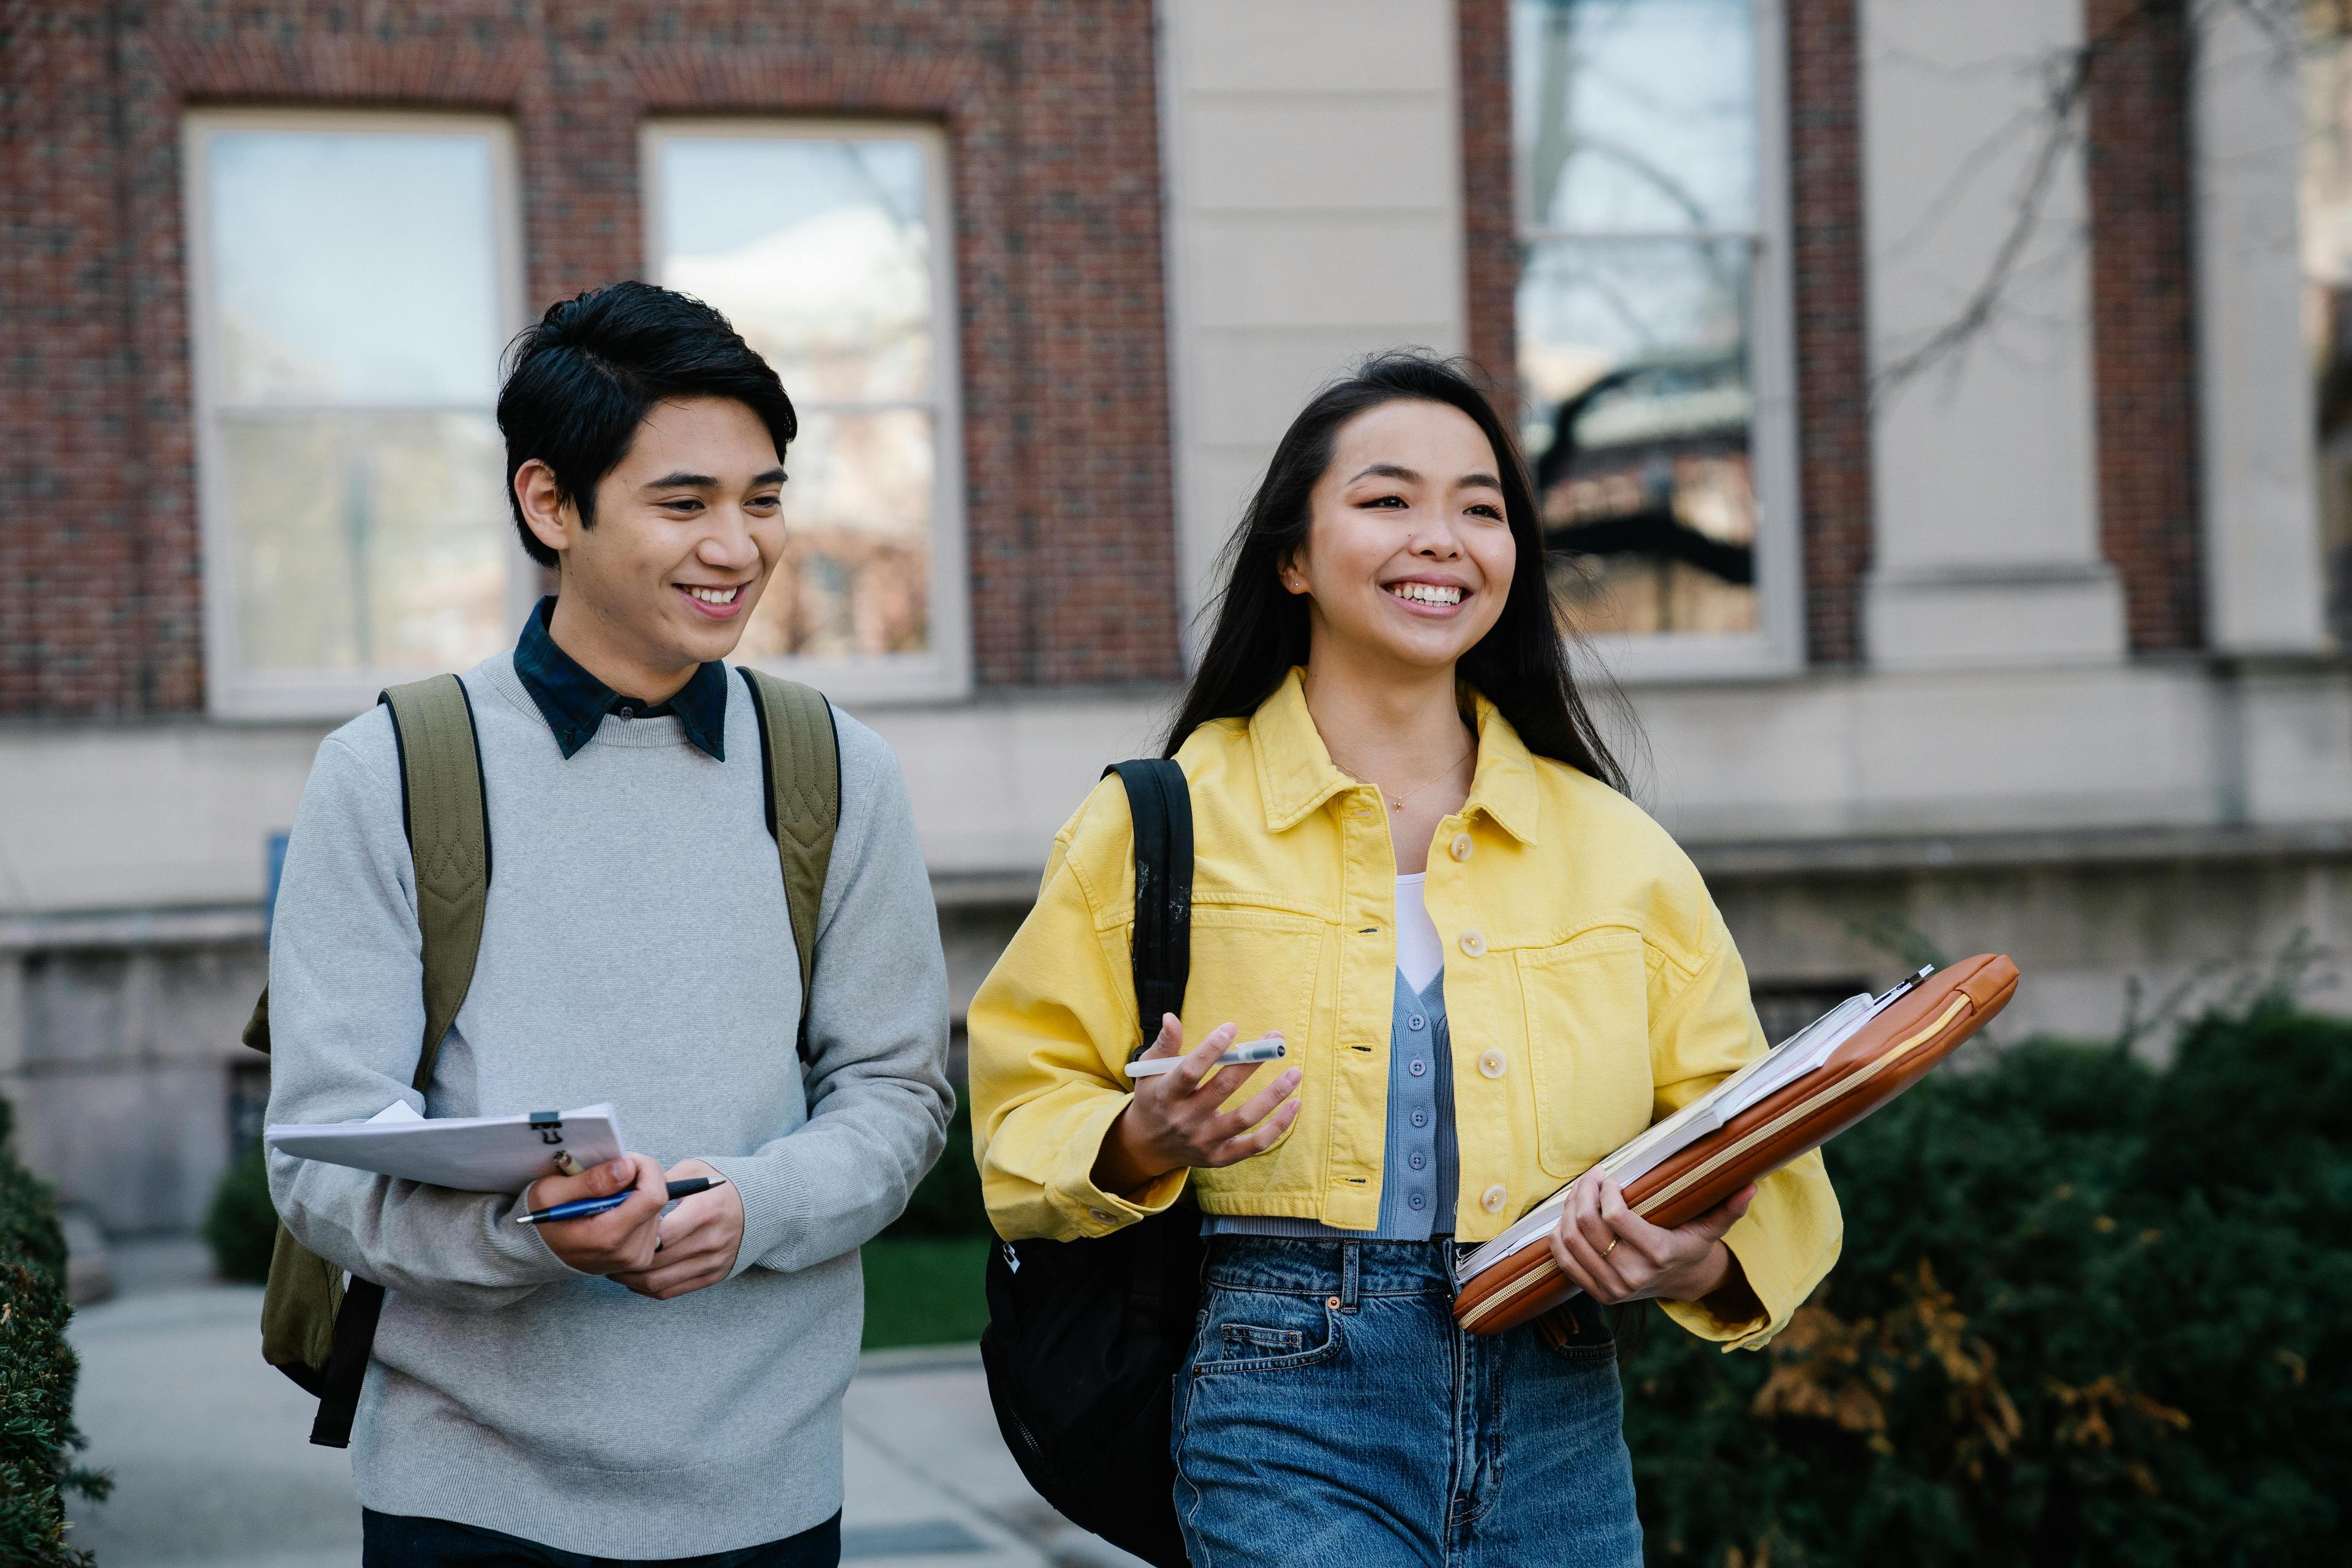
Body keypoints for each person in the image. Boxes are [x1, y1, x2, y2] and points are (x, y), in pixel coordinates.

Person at [965, 353, 1841, 1566]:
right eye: (1388, 500)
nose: (1443, 538)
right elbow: (1019, 1113)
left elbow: (1770, 1153)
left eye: (1481, 509)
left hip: (1563, 1409)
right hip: (1281, 1402)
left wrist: (1696, 1256)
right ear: (1294, 555)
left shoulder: (1619, 851)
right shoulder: (1157, 823)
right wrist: (1140, 1137)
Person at [265, 280, 954, 1567]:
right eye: (684, 502)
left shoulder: (836, 767)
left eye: (763, 499)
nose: (737, 547)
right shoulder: (392, 768)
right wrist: (528, 1229)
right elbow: (320, 1158)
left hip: (770, 1491)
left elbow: (898, 1094)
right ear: (549, 503)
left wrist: (750, 1203)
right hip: (466, 1495)